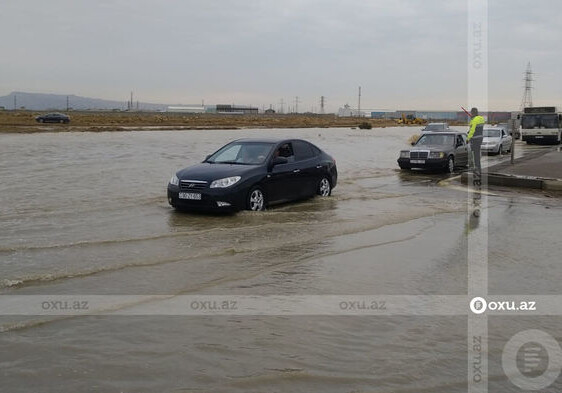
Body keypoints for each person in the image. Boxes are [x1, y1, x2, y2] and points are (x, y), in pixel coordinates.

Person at [466, 107, 485, 177]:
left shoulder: (474, 120)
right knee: (477, 155)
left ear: (473, 113)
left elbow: (472, 130)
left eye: (471, 113)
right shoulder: (481, 119)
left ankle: (477, 170)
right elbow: (478, 128)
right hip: (480, 138)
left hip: (474, 139)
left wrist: (468, 138)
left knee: (474, 156)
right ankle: (478, 169)